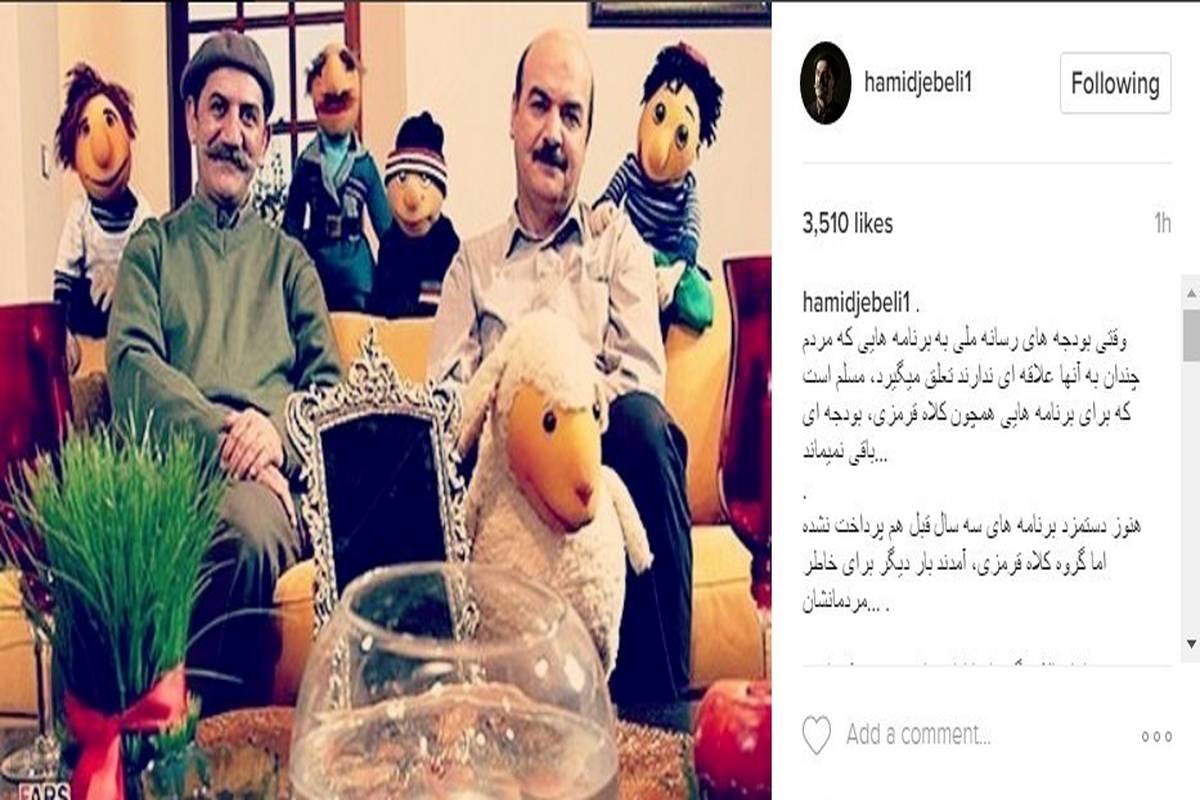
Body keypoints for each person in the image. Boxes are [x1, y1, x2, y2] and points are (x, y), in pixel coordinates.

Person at [429, 29, 692, 702]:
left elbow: (640, 380)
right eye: (539, 106)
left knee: (646, 426)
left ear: (588, 136)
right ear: (513, 115)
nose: (553, 132)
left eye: (571, 115)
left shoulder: (619, 249)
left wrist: (564, 416)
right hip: (500, 500)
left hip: (595, 483)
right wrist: (517, 432)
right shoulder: (471, 266)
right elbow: (444, 409)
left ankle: (660, 718)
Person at [106, 30, 343, 714]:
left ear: (265, 139)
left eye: (249, 116)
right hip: (173, 474)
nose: (231, 133)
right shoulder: (151, 249)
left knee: (244, 529)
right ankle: (141, 747)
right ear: (191, 119)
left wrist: (276, 435)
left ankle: (216, 743)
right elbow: (131, 366)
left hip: (262, 495)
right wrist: (229, 438)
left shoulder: (290, 263)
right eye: (217, 109)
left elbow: (331, 394)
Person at [808, 53, 844, 124]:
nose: (819, 80)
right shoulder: (807, 112)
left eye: (825, 75)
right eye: (817, 73)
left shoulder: (842, 113)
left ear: (834, 82)